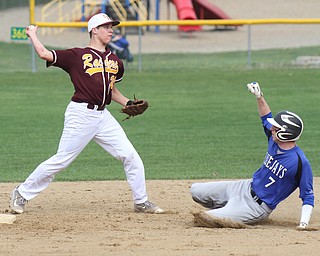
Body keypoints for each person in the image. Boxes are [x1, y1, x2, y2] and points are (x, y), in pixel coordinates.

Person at [10, 13, 163, 214]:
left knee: (130, 155)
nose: (111, 30)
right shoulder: (76, 55)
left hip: (103, 117)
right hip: (81, 114)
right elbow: (45, 54)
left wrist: (129, 102)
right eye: (106, 27)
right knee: (62, 159)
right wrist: (32, 34)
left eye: (112, 27)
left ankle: (141, 201)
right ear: (94, 30)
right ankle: (21, 192)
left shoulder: (115, 61)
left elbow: (112, 91)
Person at [190, 82, 314, 229]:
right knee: (195, 190)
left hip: (256, 207)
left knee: (205, 218)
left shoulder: (300, 163)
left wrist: (304, 223)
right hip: (243, 187)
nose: (272, 128)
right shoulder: (273, 140)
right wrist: (259, 96)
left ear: (286, 133)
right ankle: (228, 209)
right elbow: (265, 117)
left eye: (276, 127)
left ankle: (229, 212)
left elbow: (308, 196)